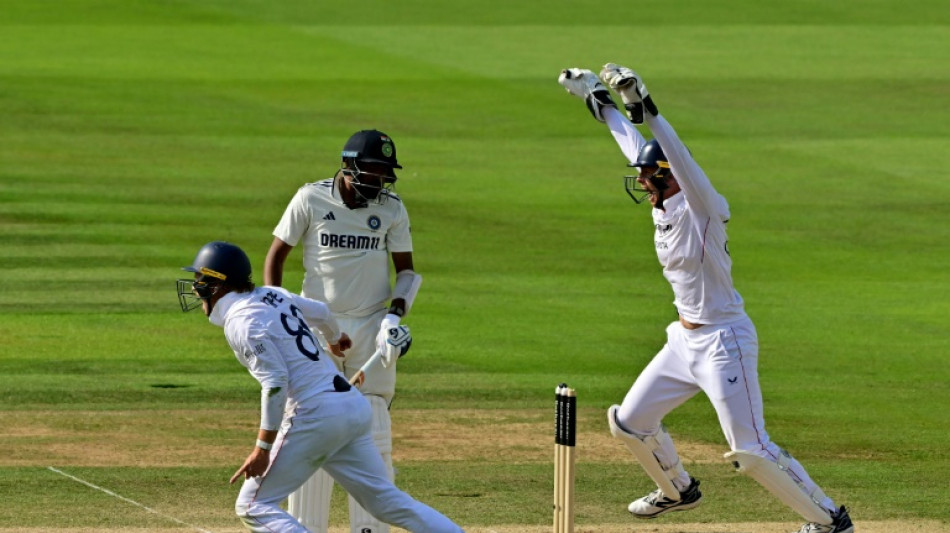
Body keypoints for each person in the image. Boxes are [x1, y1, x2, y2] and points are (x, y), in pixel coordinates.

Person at [557, 65, 855, 533]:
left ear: (672, 177)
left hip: (724, 343)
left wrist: (648, 108)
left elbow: (679, 159)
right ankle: (678, 489)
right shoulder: (663, 202)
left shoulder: (704, 210)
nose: (642, 184)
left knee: (752, 450)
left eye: (650, 178)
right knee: (629, 422)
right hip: (684, 342)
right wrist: (597, 99)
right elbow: (633, 146)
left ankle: (830, 520)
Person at [176, 241, 462, 533]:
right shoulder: (272, 294)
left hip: (315, 415)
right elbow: (322, 311)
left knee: (253, 506)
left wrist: (262, 449)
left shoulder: (242, 323)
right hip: (351, 407)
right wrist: (334, 338)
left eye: (199, 281)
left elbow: (275, 383)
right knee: (388, 503)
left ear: (217, 285)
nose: (195, 289)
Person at [264, 129, 422, 533]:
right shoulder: (310, 198)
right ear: (349, 166)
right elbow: (276, 256)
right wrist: (279, 314)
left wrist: (393, 318)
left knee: (373, 421)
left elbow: (406, 272)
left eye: (385, 173)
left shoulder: (391, 208)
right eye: (373, 171)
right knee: (313, 422)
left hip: (371, 327)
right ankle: (306, 527)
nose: (379, 181)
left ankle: (370, 528)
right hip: (317, 328)